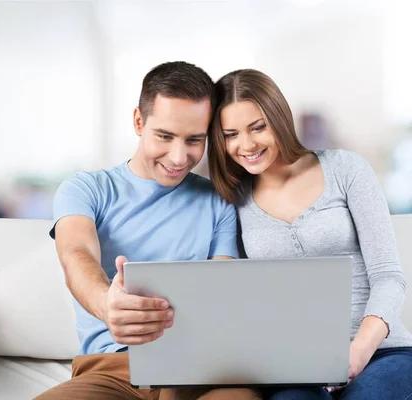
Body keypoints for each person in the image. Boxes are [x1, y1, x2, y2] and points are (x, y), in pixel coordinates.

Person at [36, 62, 261, 400]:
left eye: (194, 140)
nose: (179, 156)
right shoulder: (86, 188)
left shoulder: (219, 201)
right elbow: (76, 253)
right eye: (165, 136)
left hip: (204, 371)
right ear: (139, 122)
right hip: (114, 369)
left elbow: (223, 293)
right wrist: (104, 302)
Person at [207, 69, 412, 400]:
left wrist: (358, 351)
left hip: (381, 352)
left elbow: (388, 276)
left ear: (279, 118)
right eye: (231, 134)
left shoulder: (346, 169)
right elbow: (236, 295)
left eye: (257, 127)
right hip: (293, 368)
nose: (246, 145)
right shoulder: (232, 199)